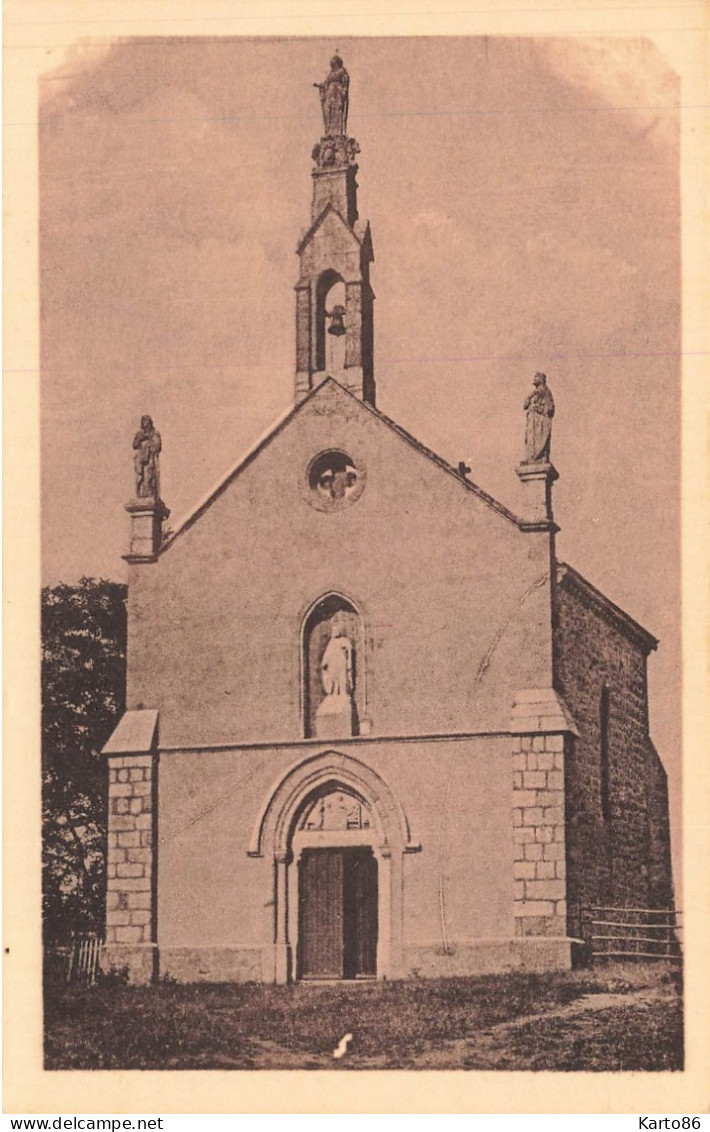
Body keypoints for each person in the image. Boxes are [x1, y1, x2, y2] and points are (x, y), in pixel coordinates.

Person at [314, 55, 349, 136]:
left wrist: (343, 94)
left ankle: (337, 133)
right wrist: (319, 85)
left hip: (337, 94)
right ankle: (329, 131)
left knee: (337, 113)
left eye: (333, 62)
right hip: (329, 95)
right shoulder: (330, 74)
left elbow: (345, 83)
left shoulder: (342, 71)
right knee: (328, 111)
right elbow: (325, 84)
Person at [523, 373, 555, 463]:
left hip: (541, 420)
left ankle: (539, 457)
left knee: (540, 438)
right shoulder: (533, 394)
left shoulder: (546, 392)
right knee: (530, 439)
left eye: (536, 378)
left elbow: (550, 408)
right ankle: (530, 458)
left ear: (541, 380)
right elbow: (525, 406)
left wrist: (539, 408)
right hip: (531, 420)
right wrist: (529, 396)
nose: (534, 379)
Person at [133, 415, 161, 498]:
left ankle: (150, 493)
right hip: (140, 459)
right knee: (140, 476)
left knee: (149, 476)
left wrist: (150, 446)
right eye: (144, 422)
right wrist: (140, 439)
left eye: (147, 423)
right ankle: (141, 494)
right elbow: (134, 445)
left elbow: (157, 446)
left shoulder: (155, 433)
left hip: (150, 459)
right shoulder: (139, 434)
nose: (146, 425)